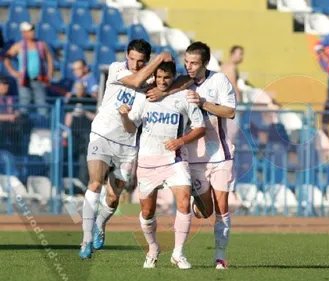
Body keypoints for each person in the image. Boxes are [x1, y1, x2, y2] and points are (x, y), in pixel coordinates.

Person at [79, 39, 174, 259]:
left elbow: (178, 81)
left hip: (128, 144)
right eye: (132, 58)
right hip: (101, 135)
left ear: (146, 60)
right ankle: (85, 241)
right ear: (126, 56)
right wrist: (161, 57)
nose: (135, 64)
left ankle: (100, 225)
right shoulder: (117, 69)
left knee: (113, 198)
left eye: (141, 61)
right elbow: (137, 79)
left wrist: (164, 92)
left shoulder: (153, 82)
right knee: (94, 183)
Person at [120, 61, 205, 269]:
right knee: (147, 212)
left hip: (174, 159)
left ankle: (178, 253)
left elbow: (200, 128)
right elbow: (131, 128)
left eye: (166, 77)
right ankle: (152, 248)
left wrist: (181, 141)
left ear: (173, 76)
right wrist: (123, 115)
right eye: (158, 77)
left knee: (184, 201)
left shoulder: (184, 97)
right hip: (148, 162)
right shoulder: (145, 98)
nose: (162, 81)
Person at [182, 41, 237, 270]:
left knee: (222, 205)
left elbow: (230, 112)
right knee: (206, 213)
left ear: (205, 63)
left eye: (194, 63)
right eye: (186, 62)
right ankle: (199, 204)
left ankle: (220, 257)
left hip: (220, 155)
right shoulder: (181, 83)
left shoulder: (219, 80)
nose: (189, 67)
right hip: (194, 157)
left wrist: (203, 102)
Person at [3, 22, 53, 118]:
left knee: (42, 103)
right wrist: (14, 72)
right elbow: (7, 58)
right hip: (24, 81)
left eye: (32, 30)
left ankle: (43, 127)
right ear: (23, 33)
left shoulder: (41, 45)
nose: (32, 33)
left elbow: (49, 60)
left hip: (39, 79)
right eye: (29, 31)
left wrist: (49, 75)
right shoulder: (19, 46)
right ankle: (24, 128)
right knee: (24, 105)